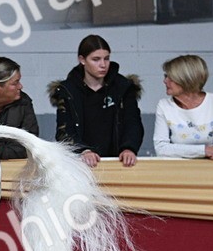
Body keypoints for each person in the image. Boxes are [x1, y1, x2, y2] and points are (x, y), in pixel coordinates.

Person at [48, 34, 143, 167]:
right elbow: (64, 131)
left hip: (118, 162)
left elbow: (133, 123)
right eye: (96, 59)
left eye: (107, 58)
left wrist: (129, 148)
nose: (103, 65)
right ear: (82, 60)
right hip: (81, 164)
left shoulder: (123, 87)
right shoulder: (68, 90)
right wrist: (83, 150)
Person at [154, 54, 213, 160]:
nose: (165, 81)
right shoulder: (164, 106)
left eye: (170, 77)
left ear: (186, 79)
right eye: (165, 76)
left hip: (211, 171)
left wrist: (179, 151)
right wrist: (203, 150)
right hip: (177, 171)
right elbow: (161, 149)